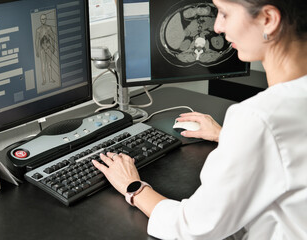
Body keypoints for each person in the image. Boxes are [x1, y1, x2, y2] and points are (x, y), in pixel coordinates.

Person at [92, 0, 307, 239]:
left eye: (224, 13)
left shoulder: (259, 118)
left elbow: (193, 228)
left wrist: (133, 186)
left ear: (268, 19)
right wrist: (230, 137)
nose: (217, 26)